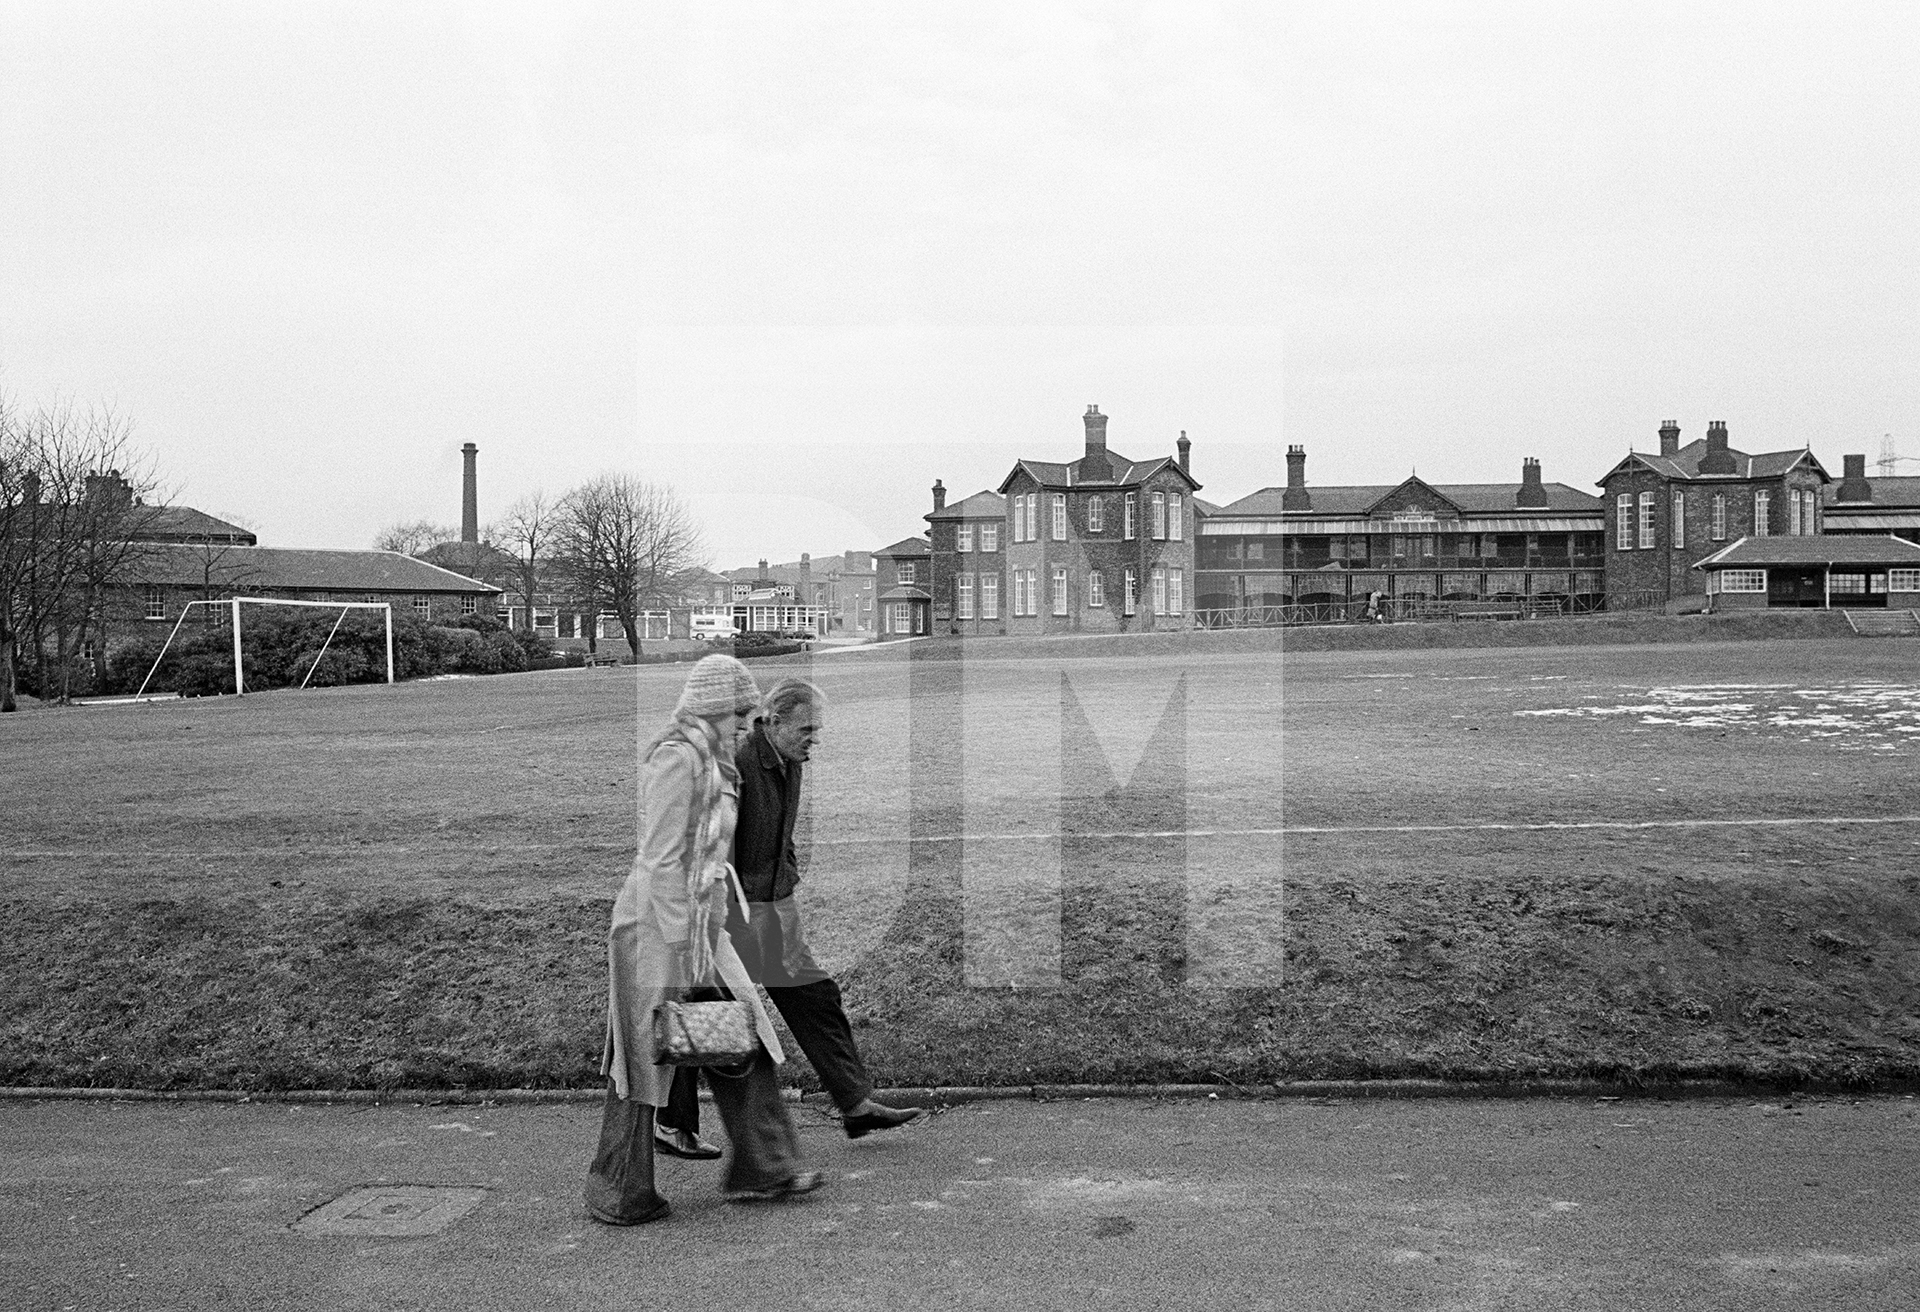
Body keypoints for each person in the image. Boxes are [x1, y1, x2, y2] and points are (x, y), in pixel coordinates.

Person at [585, 654, 824, 1226]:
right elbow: (662, 861)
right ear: (714, 709)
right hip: (654, 931)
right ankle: (619, 1192)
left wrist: (711, 931)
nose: (747, 724)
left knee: (746, 1034)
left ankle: (763, 1169)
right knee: (645, 1061)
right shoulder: (676, 759)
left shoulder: (718, 765)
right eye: (739, 714)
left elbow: (712, 861)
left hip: (700, 929)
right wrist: (683, 954)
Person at [656, 676, 923, 1158]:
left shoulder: (790, 759)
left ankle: (855, 1103)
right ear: (773, 722)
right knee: (708, 1010)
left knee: (813, 996)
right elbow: (713, 841)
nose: (813, 739)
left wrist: (786, 875)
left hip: (772, 903)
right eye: (806, 729)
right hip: (733, 910)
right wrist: (719, 912)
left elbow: (779, 831)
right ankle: (671, 1122)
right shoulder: (738, 762)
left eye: (816, 730)